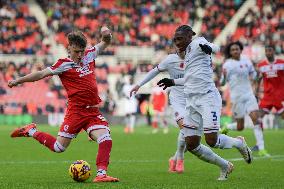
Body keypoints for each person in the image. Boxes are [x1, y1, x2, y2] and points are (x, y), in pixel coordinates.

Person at [8, 28, 119, 183]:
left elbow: (105, 42)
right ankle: (31, 131)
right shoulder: (63, 64)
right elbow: (40, 74)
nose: (80, 55)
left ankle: (101, 174)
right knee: (58, 148)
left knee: (106, 138)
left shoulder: (89, 55)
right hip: (76, 112)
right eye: (76, 51)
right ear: (69, 48)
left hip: (93, 111)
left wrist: (106, 33)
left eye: (82, 51)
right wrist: (18, 80)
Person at [157, 25, 252, 181]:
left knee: (211, 141)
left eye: (180, 39)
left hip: (208, 98)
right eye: (175, 39)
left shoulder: (198, 42)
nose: (177, 42)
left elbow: (215, 47)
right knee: (192, 144)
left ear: (190, 36)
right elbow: (189, 78)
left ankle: (239, 143)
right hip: (192, 101)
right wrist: (172, 81)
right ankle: (225, 166)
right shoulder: (186, 53)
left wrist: (208, 47)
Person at [130, 49, 187, 173]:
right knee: (185, 129)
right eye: (177, 40)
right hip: (178, 100)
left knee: (193, 138)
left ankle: (174, 159)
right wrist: (139, 84)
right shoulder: (171, 59)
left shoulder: (194, 58)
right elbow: (154, 71)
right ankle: (180, 160)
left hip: (192, 99)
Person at [220, 41, 269, 157]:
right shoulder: (227, 65)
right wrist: (225, 75)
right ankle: (228, 126)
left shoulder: (247, 60)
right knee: (240, 127)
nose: (235, 51)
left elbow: (254, 76)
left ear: (240, 50)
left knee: (256, 119)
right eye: (233, 50)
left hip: (249, 95)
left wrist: (259, 76)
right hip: (236, 98)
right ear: (230, 52)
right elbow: (222, 82)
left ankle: (261, 148)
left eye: (237, 49)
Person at [255, 45, 284, 154]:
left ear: (274, 51)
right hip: (267, 97)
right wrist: (256, 92)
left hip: (280, 97)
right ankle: (259, 145)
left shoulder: (281, 63)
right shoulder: (261, 65)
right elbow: (258, 79)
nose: (268, 52)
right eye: (266, 51)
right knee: (257, 119)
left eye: (270, 50)